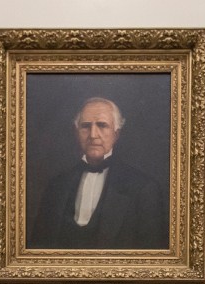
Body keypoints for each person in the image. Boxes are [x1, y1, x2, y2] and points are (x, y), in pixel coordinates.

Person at [27, 97, 169, 250]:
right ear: (76, 132)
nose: (93, 134)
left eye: (102, 125)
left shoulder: (145, 189)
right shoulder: (56, 186)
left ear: (116, 134)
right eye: (86, 126)